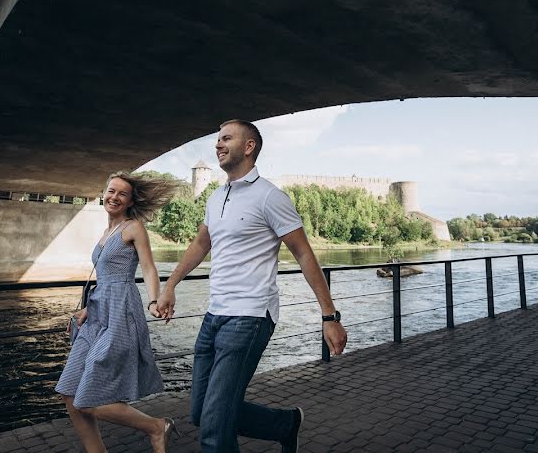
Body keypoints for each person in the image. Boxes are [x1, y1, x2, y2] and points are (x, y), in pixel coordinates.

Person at [157, 119, 348, 452]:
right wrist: (170, 284)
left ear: (249, 147)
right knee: (203, 413)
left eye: (226, 138)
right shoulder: (216, 197)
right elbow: (201, 243)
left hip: (250, 316)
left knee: (215, 430)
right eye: (217, 139)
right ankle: (286, 425)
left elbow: (303, 253)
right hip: (214, 315)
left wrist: (329, 316)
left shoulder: (270, 197)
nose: (218, 145)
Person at [56, 171, 180, 453]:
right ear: (104, 193)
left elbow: (148, 267)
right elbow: (104, 278)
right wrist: (87, 309)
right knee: (68, 393)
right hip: (97, 314)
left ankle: (157, 427)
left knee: (89, 400)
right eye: (111, 191)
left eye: (121, 194)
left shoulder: (133, 227)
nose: (114, 197)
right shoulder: (104, 234)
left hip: (121, 315)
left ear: (129, 201)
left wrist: (153, 300)